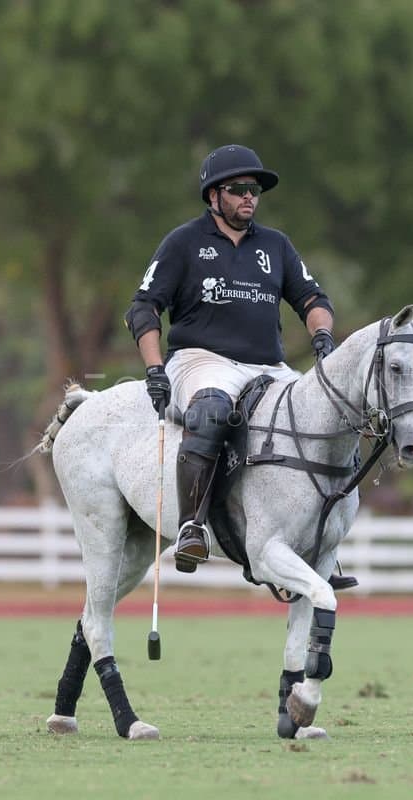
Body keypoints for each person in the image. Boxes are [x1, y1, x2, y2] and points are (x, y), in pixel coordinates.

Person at [124, 144, 337, 573]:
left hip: (267, 367)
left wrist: (322, 335)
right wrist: (154, 369)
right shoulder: (184, 242)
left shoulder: (275, 245)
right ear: (213, 195)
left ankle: (321, 537)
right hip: (202, 360)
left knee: (322, 411)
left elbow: (312, 299)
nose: (249, 197)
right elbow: (143, 307)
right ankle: (192, 526)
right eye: (239, 189)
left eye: (254, 190)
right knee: (213, 413)